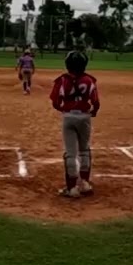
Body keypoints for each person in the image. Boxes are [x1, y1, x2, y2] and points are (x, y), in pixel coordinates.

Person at [49, 50, 100, 198]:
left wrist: (64, 110)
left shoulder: (62, 80)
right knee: (84, 149)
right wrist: (93, 111)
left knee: (70, 152)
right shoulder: (89, 80)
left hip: (69, 117)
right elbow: (96, 102)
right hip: (84, 116)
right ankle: (84, 183)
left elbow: (55, 102)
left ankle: (72, 188)